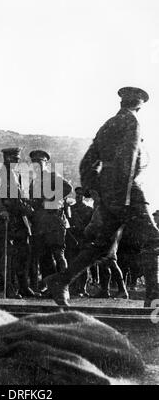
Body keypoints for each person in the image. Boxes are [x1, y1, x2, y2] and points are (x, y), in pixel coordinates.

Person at [45, 86, 159, 307]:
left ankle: (60, 280)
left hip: (110, 191)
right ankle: (154, 298)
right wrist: (122, 197)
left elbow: (87, 163)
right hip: (128, 190)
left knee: (102, 246)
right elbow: (128, 158)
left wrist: (97, 189)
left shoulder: (107, 125)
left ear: (121, 102)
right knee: (153, 238)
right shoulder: (132, 122)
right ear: (139, 105)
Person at [0, 147, 39, 298]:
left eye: (17, 160)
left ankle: (23, 287)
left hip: (20, 220)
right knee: (8, 256)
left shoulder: (18, 176)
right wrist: (1, 210)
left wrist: (28, 207)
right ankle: (9, 288)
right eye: (13, 160)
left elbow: (20, 197)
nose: (16, 163)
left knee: (23, 255)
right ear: (6, 159)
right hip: (7, 220)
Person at [28, 150, 72, 295]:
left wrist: (51, 198)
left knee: (58, 254)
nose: (36, 166)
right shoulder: (34, 181)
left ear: (45, 163)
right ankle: (51, 287)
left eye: (39, 163)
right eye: (34, 163)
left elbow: (67, 188)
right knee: (44, 256)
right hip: (40, 223)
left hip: (54, 220)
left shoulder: (53, 176)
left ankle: (64, 287)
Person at [67, 187, 93, 297]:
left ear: (83, 197)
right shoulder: (70, 209)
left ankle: (82, 288)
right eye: (77, 195)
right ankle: (72, 287)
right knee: (72, 263)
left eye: (81, 195)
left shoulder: (89, 210)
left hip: (84, 239)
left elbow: (91, 225)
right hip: (73, 239)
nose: (78, 197)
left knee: (83, 265)